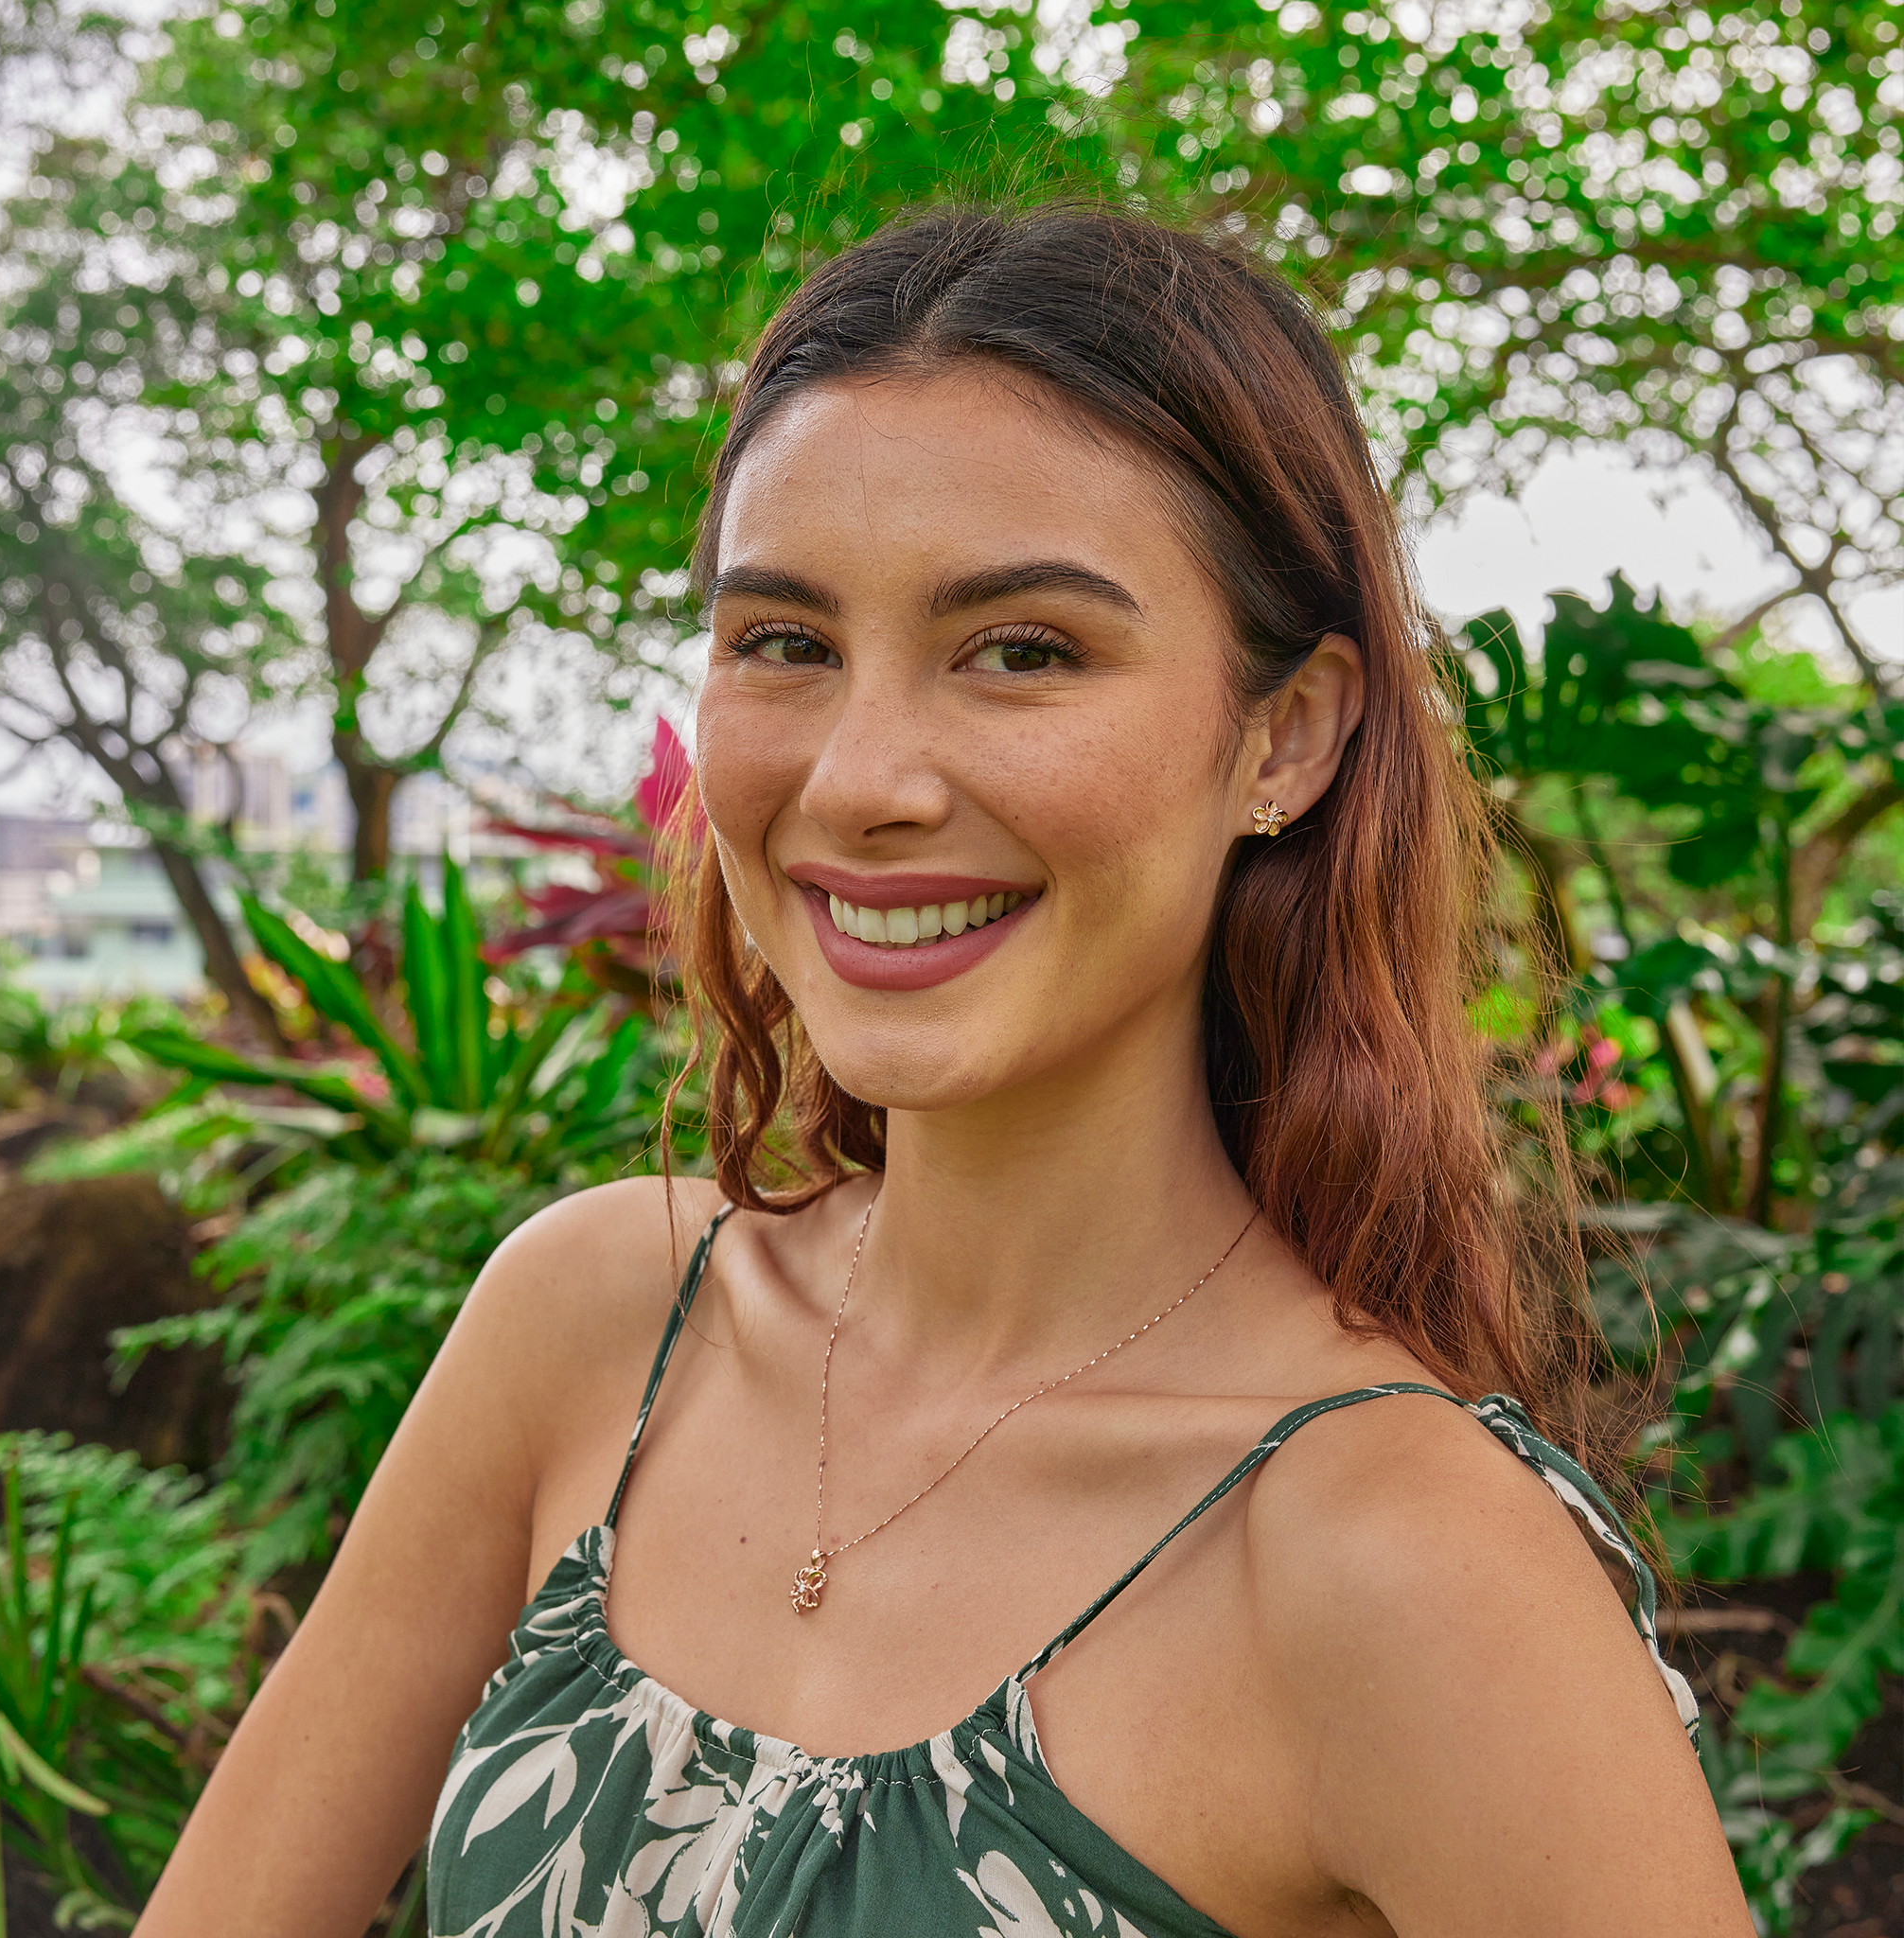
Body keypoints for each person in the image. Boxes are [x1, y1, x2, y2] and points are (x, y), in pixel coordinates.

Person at [142, 205, 1750, 1937]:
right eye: (787, 643)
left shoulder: (1395, 1558)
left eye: (1023, 650)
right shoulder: (596, 1323)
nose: (860, 780)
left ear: (1285, 735)